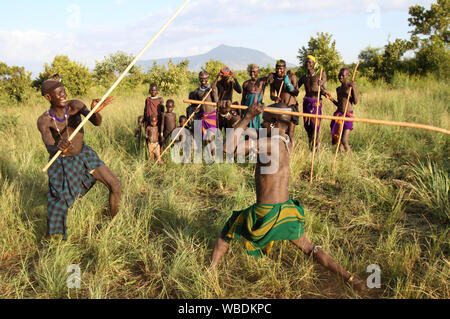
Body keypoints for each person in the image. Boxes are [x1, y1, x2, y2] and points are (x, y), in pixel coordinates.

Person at [210, 101, 366, 292]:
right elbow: (251, 130)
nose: (261, 124)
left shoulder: (267, 143)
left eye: (264, 121)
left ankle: (210, 272)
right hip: (286, 211)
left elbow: (227, 149)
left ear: (273, 123)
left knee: (228, 230)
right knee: (310, 248)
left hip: (266, 213)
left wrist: (248, 116)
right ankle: (352, 280)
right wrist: (228, 115)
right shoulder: (286, 141)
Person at [37, 79, 121, 240]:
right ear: (48, 97)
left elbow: (96, 122)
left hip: (85, 153)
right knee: (63, 202)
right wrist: (58, 147)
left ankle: (109, 225)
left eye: (64, 91)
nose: (64, 95)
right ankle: (48, 238)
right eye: (59, 93)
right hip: (65, 161)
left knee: (115, 185)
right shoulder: (44, 120)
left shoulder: (75, 106)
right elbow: (49, 146)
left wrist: (95, 111)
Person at [298, 55, 330, 151]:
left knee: (315, 129)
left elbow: (325, 90)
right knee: (308, 129)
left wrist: (322, 85)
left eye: (310, 62)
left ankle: (317, 153)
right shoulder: (304, 78)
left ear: (314, 64)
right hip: (306, 103)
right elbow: (295, 89)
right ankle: (311, 149)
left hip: (316, 104)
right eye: (306, 62)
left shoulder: (320, 75)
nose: (308, 64)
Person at [328, 68, 358, 153]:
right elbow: (339, 104)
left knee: (344, 140)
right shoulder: (338, 89)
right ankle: (341, 158)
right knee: (338, 140)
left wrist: (354, 88)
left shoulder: (350, 87)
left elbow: (355, 102)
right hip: (339, 114)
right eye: (339, 75)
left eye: (343, 75)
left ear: (347, 76)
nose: (340, 77)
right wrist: (331, 99)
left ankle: (349, 158)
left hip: (348, 115)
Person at [268, 60, 299, 140]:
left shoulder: (292, 77)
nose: (279, 70)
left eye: (281, 69)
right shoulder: (273, 79)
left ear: (285, 68)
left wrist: (289, 85)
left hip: (291, 106)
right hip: (280, 107)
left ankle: (291, 151)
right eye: (277, 68)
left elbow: (296, 92)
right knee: (281, 132)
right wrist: (275, 98)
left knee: (291, 132)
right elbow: (271, 95)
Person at [241, 64, 269, 129]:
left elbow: (271, 78)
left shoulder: (262, 82)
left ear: (258, 72)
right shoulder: (246, 84)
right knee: (247, 125)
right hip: (248, 108)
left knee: (257, 125)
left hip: (257, 108)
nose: (252, 73)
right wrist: (242, 112)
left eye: (254, 72)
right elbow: (243, 99)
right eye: (251, 72)